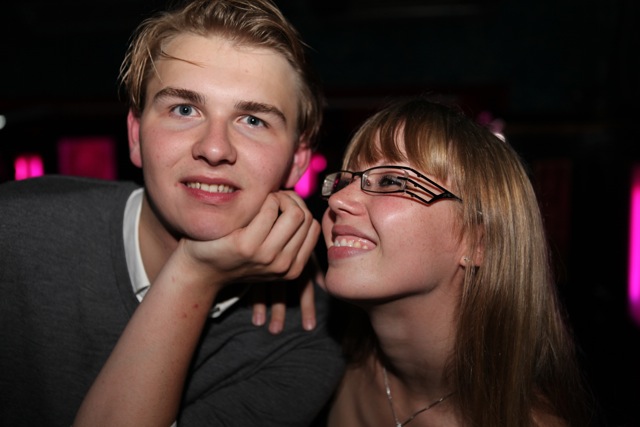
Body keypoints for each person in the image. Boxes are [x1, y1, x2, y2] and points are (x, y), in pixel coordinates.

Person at [0, 1, 345, 426]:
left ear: (297, 161)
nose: (214, 148)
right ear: (135, 136)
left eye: (253, 120)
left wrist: (193, 273)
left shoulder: (301, 347)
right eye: (184, 109)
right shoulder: (12, 232)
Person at [317, 96, 598, 426]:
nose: (338, 199)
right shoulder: (318, 364)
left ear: (477, 243)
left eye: (391, 181)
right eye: (346, 180)